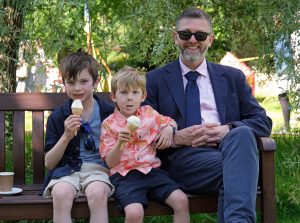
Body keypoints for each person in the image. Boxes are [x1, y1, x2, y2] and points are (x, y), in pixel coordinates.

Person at [144, 7, 273, 223]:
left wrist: (226, 130)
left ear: (210, 40)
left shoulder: (232, 77)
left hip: (229, 150)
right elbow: (140, 128)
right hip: (183, 159)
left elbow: (262, 121)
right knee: (239, 171)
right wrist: (175, 138)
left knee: (240, 134)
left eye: (200, 35)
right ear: (175, 37)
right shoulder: (155, 80)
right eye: (186, 34)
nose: (192, 40)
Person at [100, 66, 190, 223]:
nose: (129, 98)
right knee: (135, 213)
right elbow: (110, 162)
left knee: (181, 200)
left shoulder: (149, 114)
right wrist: (121, 142)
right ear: (113, 96)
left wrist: (169, 129)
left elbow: (171, 122)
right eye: (124, 92)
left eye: (135, 92)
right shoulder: (109, 124)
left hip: (151, 171)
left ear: (143, 96)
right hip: (124, 176)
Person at [41, 51, 114, 223]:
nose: (77, 88)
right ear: (64, 84)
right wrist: (66, 136)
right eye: (71, 82)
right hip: (67, 169)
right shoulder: (58, 117)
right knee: (61, 193)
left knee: (98, 193)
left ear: (95, 82)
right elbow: (49, 163)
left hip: (98, 169)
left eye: (84, 81)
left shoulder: (108, 113)